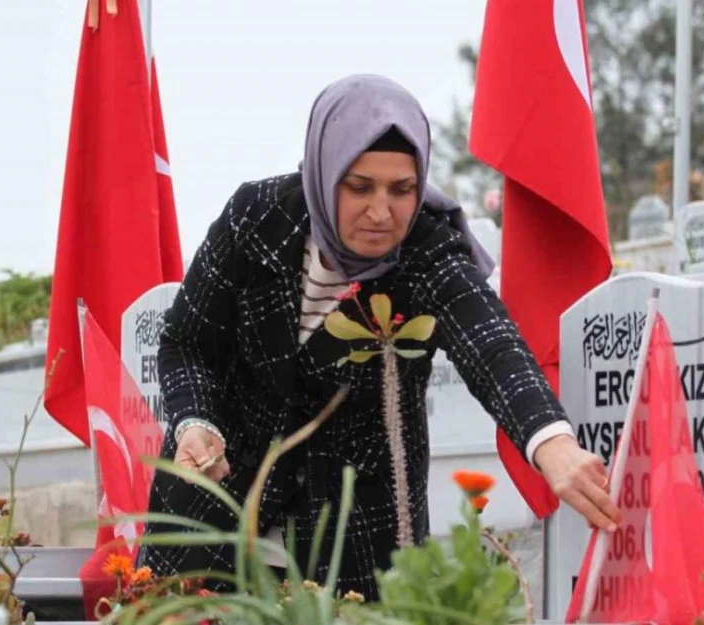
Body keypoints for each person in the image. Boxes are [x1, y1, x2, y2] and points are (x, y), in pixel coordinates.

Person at [138, 74, 620, 599]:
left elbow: (491, 343)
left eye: (402, 189)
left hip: (353, 536)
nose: (380, 212)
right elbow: (186, 344)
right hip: (213, 517)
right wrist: (194, 420)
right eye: (359, 186)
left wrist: (551, 443)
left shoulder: (427, 253)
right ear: (325, 172)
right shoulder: (254, 219)